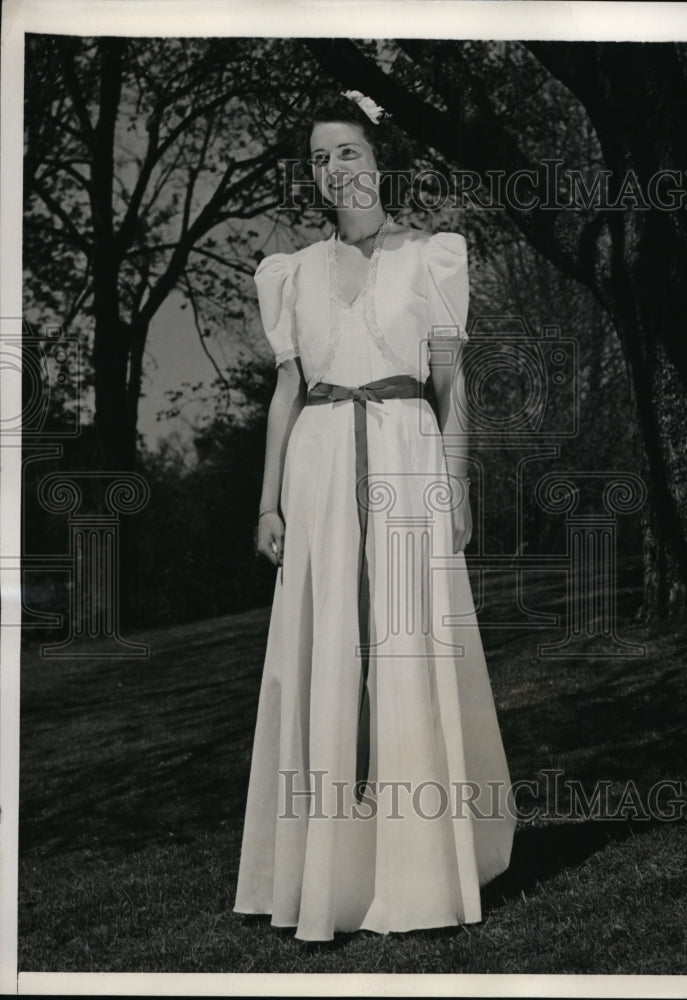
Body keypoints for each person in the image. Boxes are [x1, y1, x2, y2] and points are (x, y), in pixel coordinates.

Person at [234, 90, 516, 942]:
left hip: (403, 456)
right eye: (320, 158)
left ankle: (418, 873)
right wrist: (268, 500)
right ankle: (328, 876)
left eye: (347, 152)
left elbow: (450, 387)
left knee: (407, 647)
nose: (334, 170)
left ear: (377, 157)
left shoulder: (431, 260)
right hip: (319, 466)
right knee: (321, 651)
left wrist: (457, 487)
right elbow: (285, 395)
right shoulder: (291, 274)